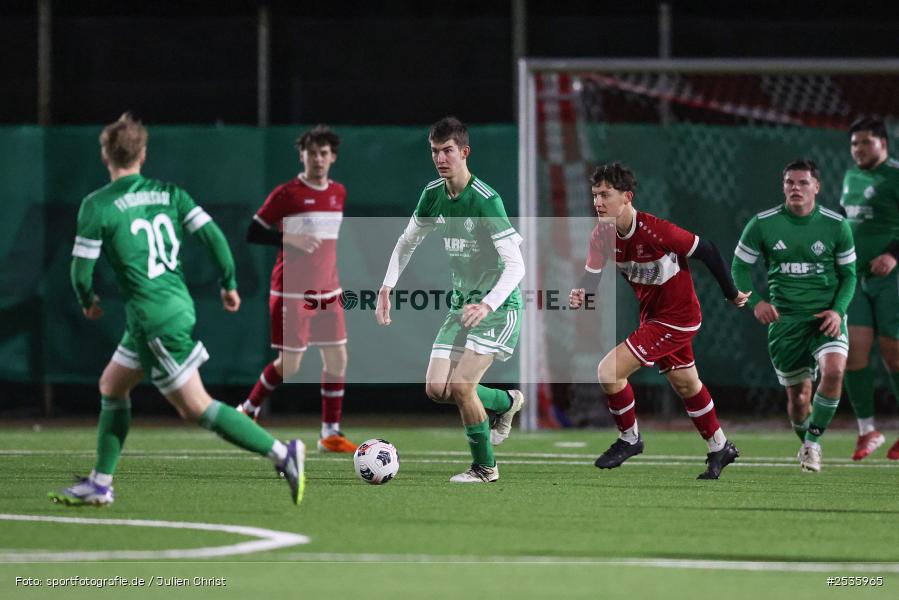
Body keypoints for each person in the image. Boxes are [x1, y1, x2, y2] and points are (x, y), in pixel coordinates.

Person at [50, 113, 304, 506]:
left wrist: (87, 300)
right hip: (166, 309)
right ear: (143, 153)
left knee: (196, 407)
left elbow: (80, 271)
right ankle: (100, 483)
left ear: (105, 155)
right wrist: (229, 283)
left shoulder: (97, 205)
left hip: (154, 319)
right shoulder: (170, 193)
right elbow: (213, 236)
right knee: (112, 385)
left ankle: (283, 454)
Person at [569, 162, 748, 480]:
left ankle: (630, 439)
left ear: (627, 197)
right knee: (687, 384)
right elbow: (592, 277)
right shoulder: (602, 236)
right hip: (652, 318)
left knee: (608, 371)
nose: (597, 202)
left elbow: (708, 250)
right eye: (595, 194)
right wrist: (583, 292)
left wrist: (732, 293)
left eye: (605, 195)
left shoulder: (656, 231)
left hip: (677, 319)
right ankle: (719, 446)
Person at [376, 116, 525, 483]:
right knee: (437, 389)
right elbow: (406, 242)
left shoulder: (486, 201)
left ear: (464, 152)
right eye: (434, 151)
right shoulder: (433, 195)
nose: (440, 158)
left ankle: (485, 468)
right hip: (461, 306)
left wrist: (488, 304)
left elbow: (517, 265)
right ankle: (507, 403)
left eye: (447, 151)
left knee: (461, 387)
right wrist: (386, 287)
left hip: (498, 308)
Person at [732, 159, 856, 472]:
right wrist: (756, 302)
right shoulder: (762, 223)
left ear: (817, 187)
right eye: (789, 182)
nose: (795, 188)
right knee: (800, 399)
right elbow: (739, 268)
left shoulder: (836, 225)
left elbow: (850, 276)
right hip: (785, 324)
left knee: (835, 371)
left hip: (824, 319)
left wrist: (838, 311)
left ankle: (812, 443)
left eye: (803, 182)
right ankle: (807, 443)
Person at [238, 125, 357, 453]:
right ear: (301, 155)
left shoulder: (339, 193)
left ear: (332, 157)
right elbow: (252, 232)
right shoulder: (287, 194)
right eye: (311, 153)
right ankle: (247, 410)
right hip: (292, 293)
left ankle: (330, 433)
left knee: (337, 358)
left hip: (328, 291)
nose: (317, 159)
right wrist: (287, 238)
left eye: (323, 153)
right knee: (290, 366)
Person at [839, 118, 899, 461]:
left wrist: (892, 254)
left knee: (893, 353)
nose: (858, 149)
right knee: (853, 352)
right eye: (853, 144)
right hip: (856, 277)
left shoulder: (895, 174)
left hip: (892, 277)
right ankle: (867, 430)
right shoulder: (851, 176)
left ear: (883, 143)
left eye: (865, 142)